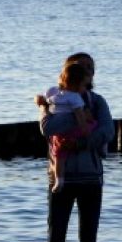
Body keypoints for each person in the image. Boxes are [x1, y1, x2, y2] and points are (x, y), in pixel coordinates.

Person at [39, 52, 114, 242]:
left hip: (91, 178)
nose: (86, 71)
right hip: (61, 178)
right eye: (80, 66)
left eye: (90, 67)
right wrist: (78, 117)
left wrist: (79, 142)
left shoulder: (97, 102)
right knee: (56, 238)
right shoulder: (54, 102)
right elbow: (47, 128)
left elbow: (107, 132)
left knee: (89, 241)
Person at [35, 62, 98, 191]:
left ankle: (59, 180)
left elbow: (44, 101)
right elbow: (80, 117)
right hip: (74, 133)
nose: (85, 88)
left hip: (59, 136)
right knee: (94, 124)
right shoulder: (75, 98)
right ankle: (103, 148)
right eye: (83, 85)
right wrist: (86, 129)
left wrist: (41, 104)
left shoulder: (53, 93)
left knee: (59, 156)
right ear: (76, 84)